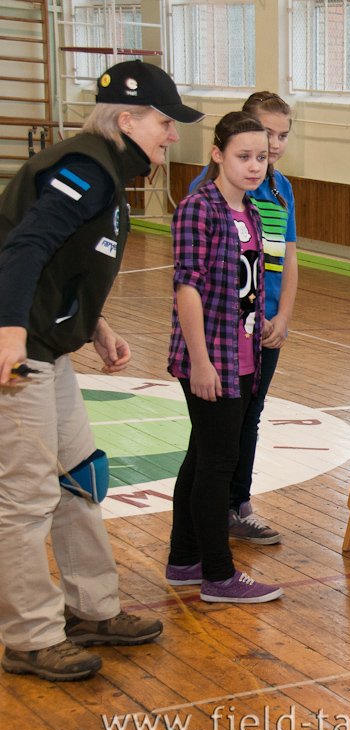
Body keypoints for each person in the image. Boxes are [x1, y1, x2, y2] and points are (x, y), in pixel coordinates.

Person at [0, 60, 203, 681]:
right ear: (126, 119)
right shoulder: (86, 169)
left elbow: (69, 264)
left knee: (78, 477)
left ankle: (90, 608)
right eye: (165, 122)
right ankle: (30, 636)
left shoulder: (107, 172)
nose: (172, 136)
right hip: (20, 351)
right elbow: (25, 246)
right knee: (24, 498)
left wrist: (97, 326)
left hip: (49, 346)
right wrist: (7, 331)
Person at [166, 111, 282, 605]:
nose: (255, 166)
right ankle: (217, 574)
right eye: (243, 156)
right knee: (218, 462)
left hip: (244, 355)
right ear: (217, 154)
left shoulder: (252, 211)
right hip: (212, 357)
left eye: (261, 157)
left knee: (201, 458)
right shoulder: (199, 208)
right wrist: (201, 360)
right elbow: (187, 288)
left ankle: (183, 559)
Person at [189, 91, 297, 546]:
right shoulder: (206, 194)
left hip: (264, 327)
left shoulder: (279, 189)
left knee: (250, 415)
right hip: (223, 330)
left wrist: (283, 315)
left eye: (282, 136)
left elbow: (289, 258)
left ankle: (238, 503)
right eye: (265, 133)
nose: (273, 146)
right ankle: (206, 522)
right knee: (217, 430)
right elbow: (191, 281)